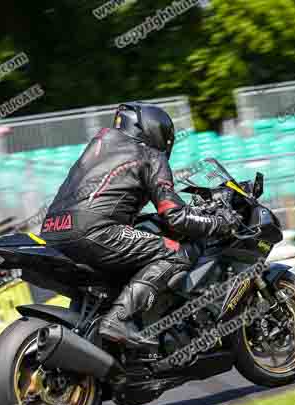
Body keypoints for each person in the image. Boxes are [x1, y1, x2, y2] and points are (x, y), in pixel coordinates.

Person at [40, 102, 239, 349]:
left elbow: (108, 199)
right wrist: (220, 222)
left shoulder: (98, 148)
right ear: (156, 132)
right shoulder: (150, 155)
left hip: (54, 230)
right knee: (176, 252)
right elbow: (174, 216)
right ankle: (118, 319)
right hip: (95, 231)